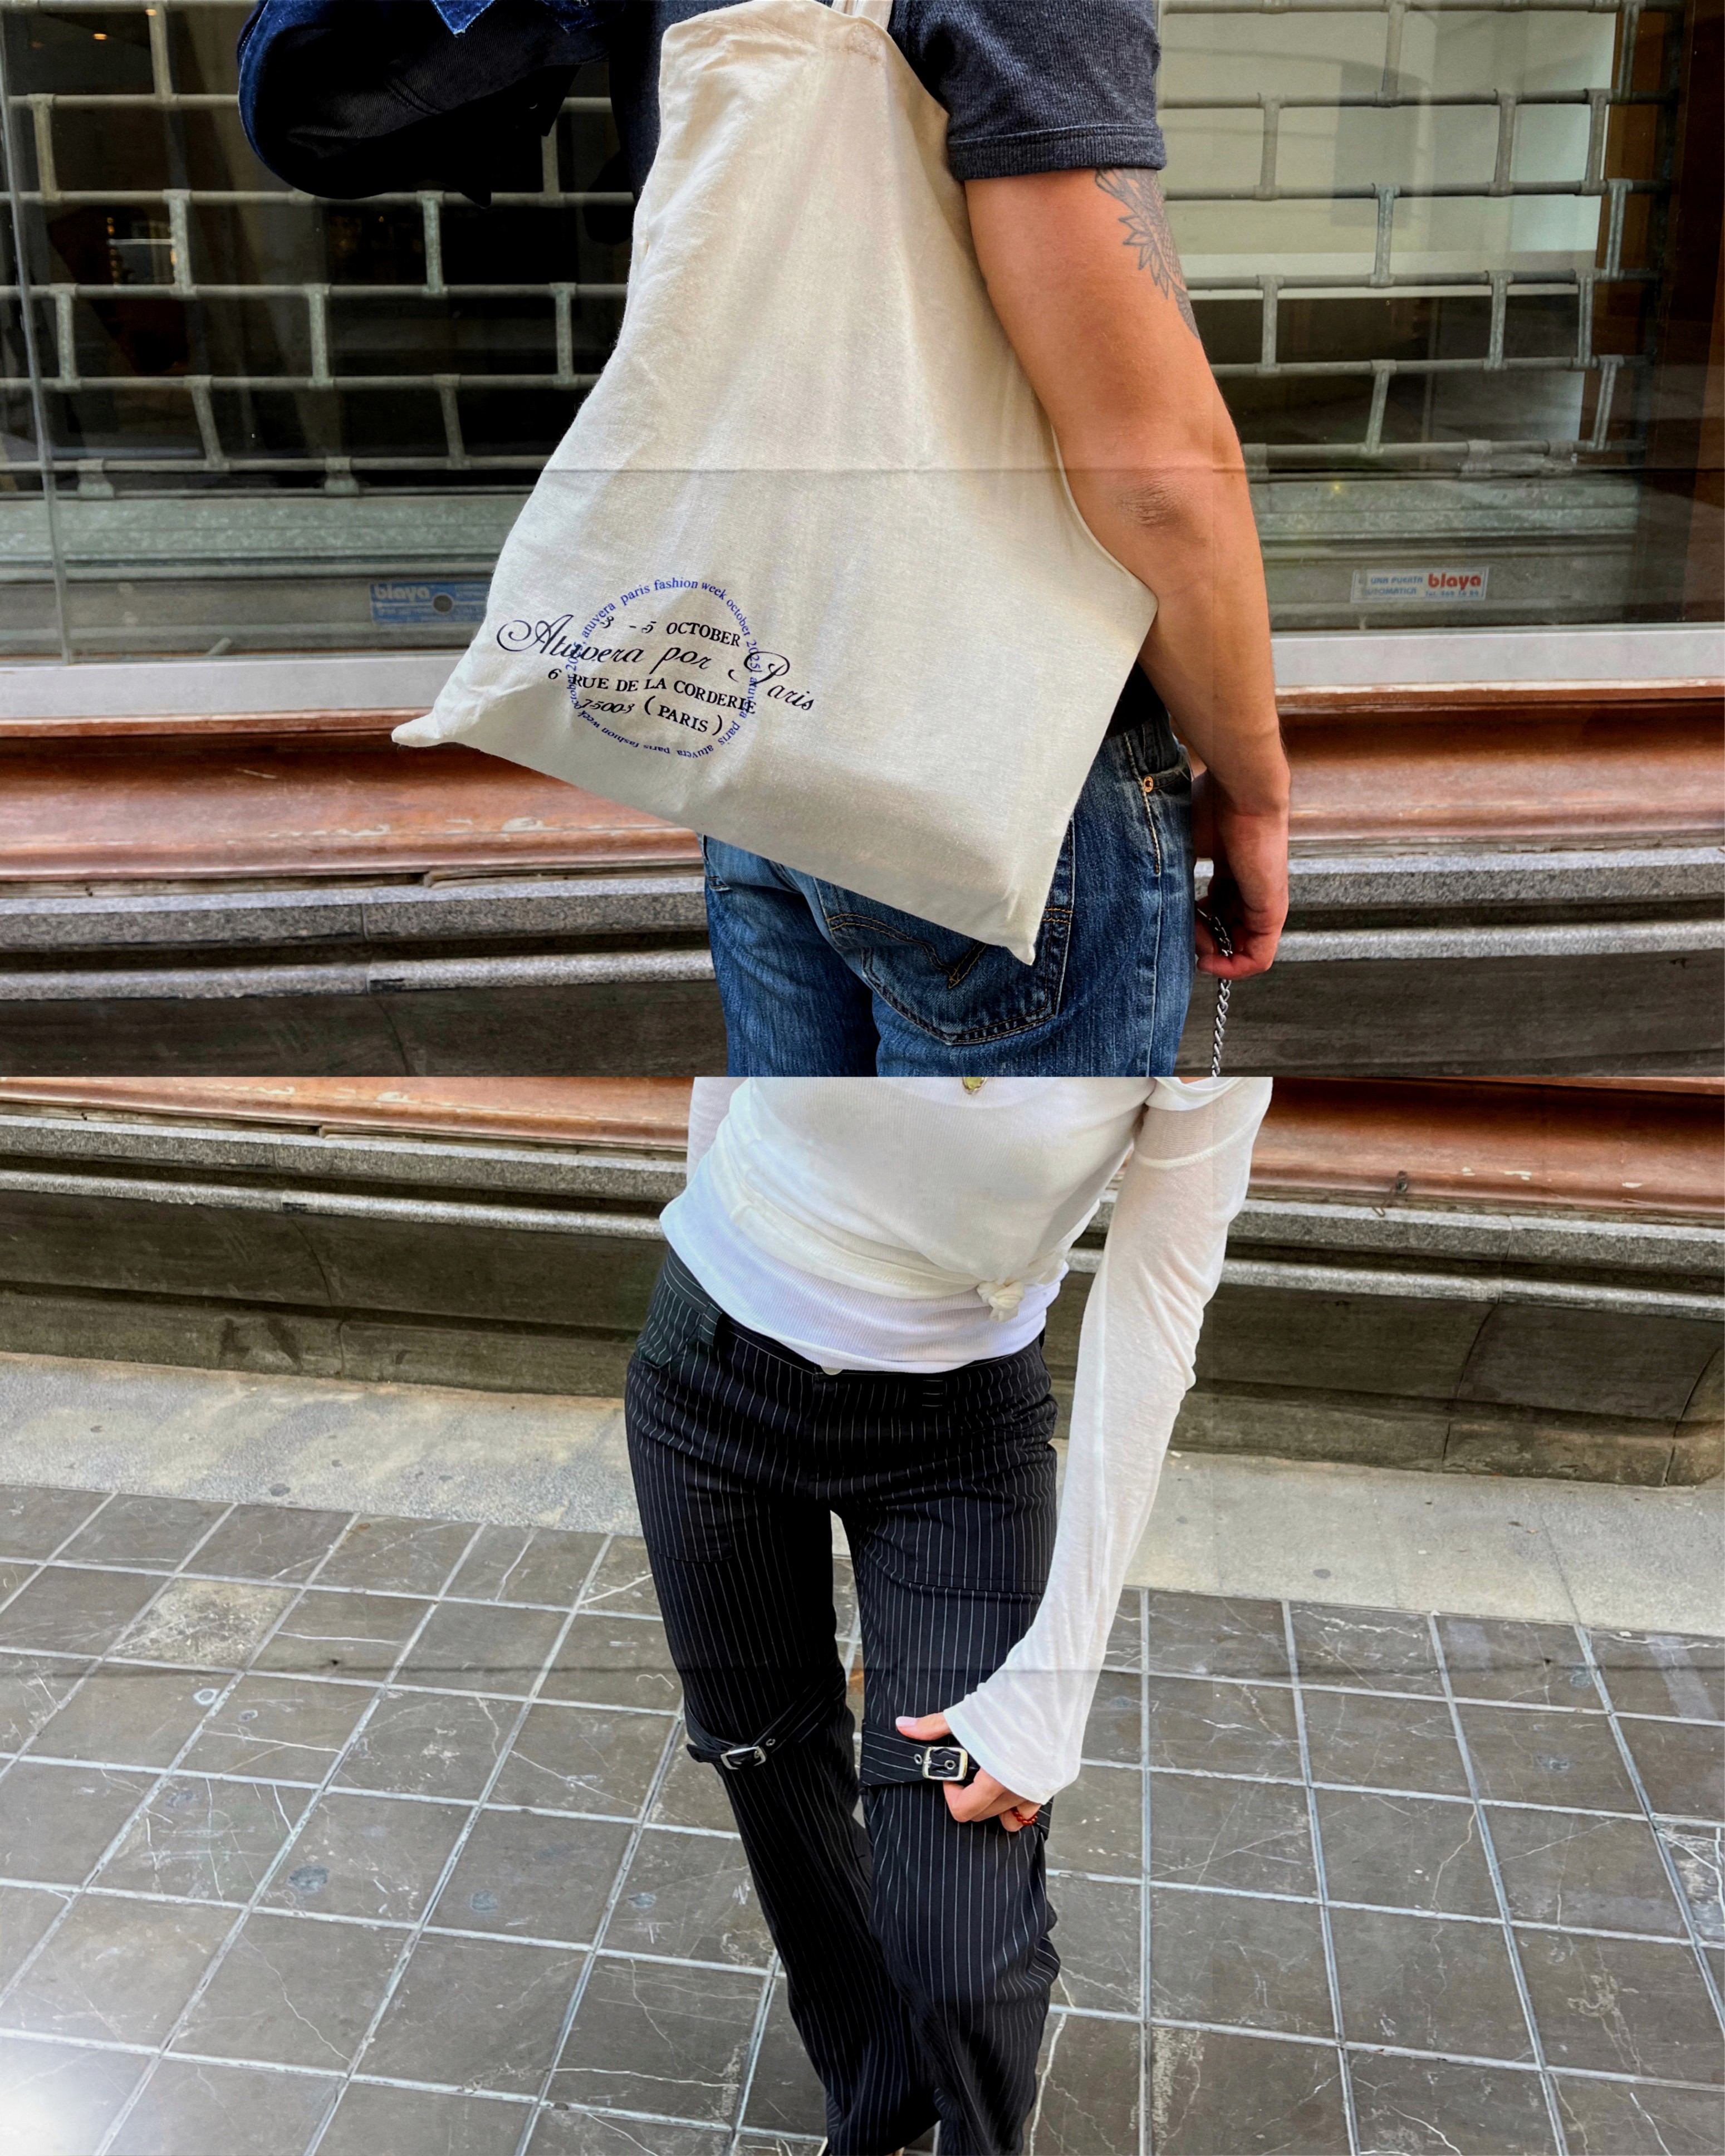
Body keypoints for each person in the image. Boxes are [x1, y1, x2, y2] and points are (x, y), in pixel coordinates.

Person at [605, 1, 1291, 1074]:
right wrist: (1254, 792)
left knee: (797, 1176)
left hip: (760, 709)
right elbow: (1154, 475)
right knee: (977, 1196)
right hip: (1000, 756)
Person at [626, 1074, 1271, 2154]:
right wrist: (722, 1287)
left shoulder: (1199, 985)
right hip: (707, 1372)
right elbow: (739, 1052)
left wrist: (1052, 1690)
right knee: (763, 1759)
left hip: (958, 1433)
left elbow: (1157, 1303)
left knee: (962, 1945)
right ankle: (874, 2100)